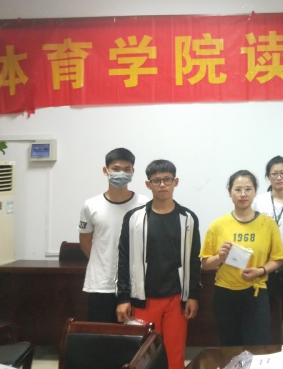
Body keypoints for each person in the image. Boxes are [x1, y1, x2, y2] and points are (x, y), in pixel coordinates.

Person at [116, 160, 201, 369]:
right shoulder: (134, 218)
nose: (162, 184)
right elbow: (124, 258)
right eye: (156, 180)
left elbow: (194, 259)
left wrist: (193, 295)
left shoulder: (188, 218)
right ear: (148, 184)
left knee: (174, 355)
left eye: (167, 180)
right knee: (145, 356)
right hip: (144, 298)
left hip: (176, 299)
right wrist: (123, 298)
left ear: (175, 182)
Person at [201, 170, 283, 346]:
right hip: (225, 294)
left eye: (248, 189)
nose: (243, 194)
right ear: (230, 193)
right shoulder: (218, 225)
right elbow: (206, 264)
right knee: (229, 347)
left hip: (256, 293)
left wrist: (260, 271)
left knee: (257, 346)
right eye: (238, 189)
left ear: (255, 192)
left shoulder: (268, 224)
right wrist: (220, 257)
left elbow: (278, 259)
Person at [78, 148, 149, 323]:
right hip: (100, 285)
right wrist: (102, 262)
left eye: (127, 169)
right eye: (116, 169)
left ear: (133, 171)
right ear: (105, 170)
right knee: (100, 334)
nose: (121, 173)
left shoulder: (145, 204)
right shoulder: (91, 205)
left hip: (134, 285)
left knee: (133, 335)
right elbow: (85, 240)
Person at [252, 156, 283, 343]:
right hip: (265, 263)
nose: (279, 177)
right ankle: (264, 353)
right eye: (274, 174)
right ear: (268, 176)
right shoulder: (258, 201)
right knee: (263, 315)